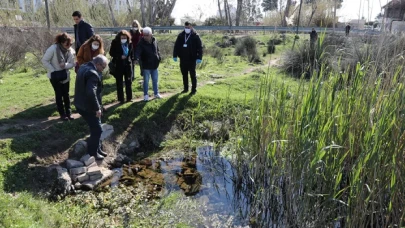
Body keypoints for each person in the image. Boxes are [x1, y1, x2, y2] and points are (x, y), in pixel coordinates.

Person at [74, 55, 109, 160]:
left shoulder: (84, 66)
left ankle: (97, 149)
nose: (103, 70)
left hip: (80, 103)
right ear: (97, 64)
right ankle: (93, 153)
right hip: (88, 106)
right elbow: (91, 92)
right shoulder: (92, 74)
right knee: (97, 129)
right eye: (103, 67)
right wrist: (97, 108)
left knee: (95, 127)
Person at [42, 33, 75, 121]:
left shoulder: (71, 51)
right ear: (61, 42)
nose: (69, 46)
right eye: (66, 44)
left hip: (65, 75)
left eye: (70, 44)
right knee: (59, 94)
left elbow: (72, 63)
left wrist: (65, 65)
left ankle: (69, 113)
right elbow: (44, 61)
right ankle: (62, 114)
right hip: (55, 76)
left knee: (66, 95)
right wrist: (53, 71)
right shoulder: (53, 49)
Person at [173, 21, 203, 95]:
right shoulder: (181, 35)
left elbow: (200, 47)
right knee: (184, 74)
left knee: (192, 74)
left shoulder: (195, 36)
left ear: (191, 27)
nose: (187, 29)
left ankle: (193, 89)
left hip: (192, 58)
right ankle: (185, 88)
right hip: (183, 58)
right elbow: (176, 46)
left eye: (188, 27)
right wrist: (175, 55)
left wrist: (199, 57)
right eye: (185, 27)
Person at [134, 27, 162, 101]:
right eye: (144, 35)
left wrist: (159, 57)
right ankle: (146, 95)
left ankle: (156, 93)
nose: (145, 36)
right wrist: (136, 58)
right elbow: (137, 51)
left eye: (147, 35)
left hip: (154, 65)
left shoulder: (154, 40)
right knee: (146, 81)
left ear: (150, 34)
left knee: (155, 80)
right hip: (146, 65)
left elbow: (157, 49)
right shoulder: (141, 42)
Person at [109, 30, 134, 103]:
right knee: (119, 82)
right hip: (118, 65)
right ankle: (121, 99)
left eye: (125, 37)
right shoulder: (115, 43)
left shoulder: (130, 43)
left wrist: (132, 60)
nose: (123, 39)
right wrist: (119, 56)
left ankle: (129, 98)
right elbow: (111, 53)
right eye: (122, 37)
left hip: (128, 65)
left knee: (128, 82)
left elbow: (132, 53)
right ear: (119, 37)